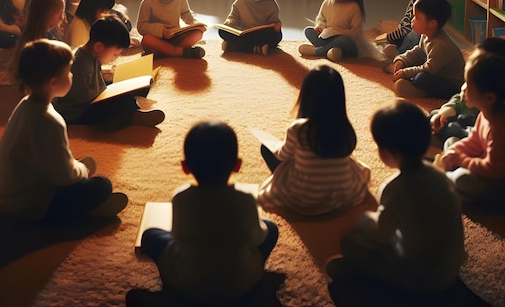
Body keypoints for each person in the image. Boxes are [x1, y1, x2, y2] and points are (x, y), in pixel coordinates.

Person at [326, 100, 465, 296]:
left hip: (422, 279)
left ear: (386, 153)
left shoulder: (395, 188)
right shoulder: (441, 177)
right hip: (451, 269)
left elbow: (380, 234)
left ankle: (372, 280)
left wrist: (363, 218)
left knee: (350, 242)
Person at [140, 121, 279, 304]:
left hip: (187, 281)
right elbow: (257, 237)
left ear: (185, 167)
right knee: (270, 228)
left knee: (150, 236)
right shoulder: (245, 200)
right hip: (239, 283)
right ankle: (255, 278)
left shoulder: (181, 198)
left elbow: (177, 237)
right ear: (237, 165)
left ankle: (174, 288)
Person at [0, 38, 128, 222]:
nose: (72, 76)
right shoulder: (50, 121)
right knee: (102, 185)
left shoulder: (24, 105)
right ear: (53, 82)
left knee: (79, 169)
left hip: (8, 197)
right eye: (68, 72)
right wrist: (81, 170)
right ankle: (85, 212)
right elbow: (65, 178)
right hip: (31, 206)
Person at [257, 65, 370, 215]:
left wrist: (275, 145)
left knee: (266, 148)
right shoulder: (344, 126)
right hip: (341, 195)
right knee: (352, 163)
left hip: (304, 197)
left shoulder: (298, 128)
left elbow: (283, 155)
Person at [54, 14, 164, 129]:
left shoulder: (93, 57)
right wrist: (109, 92)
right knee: (111, 109)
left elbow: (99, 84)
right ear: (99, 47)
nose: (114, 58)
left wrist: (112, 88)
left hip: (92, 99)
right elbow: (84, 98)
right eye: (114, 54)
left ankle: (134, 112)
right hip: (75, 111)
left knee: (128, 94)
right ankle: (133, 116)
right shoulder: (80, 63)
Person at [435, 38, 505, 206]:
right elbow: (474, 141)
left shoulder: (500, 128)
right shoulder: (485, 113)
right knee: (452, 143)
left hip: (496, 181)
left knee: (461, 178)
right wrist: (453, 155)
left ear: (489, 97)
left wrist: (462, 161)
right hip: (482, 163)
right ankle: (452, 185)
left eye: (468, 84)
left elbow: (492, 169)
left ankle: (448, 183)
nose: (463, 88)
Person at [391, 0, 465, 100]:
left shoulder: (441, 45)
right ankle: (412, 82)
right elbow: (418, 52)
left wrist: (405, 72)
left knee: (422, 77)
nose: (412, 21)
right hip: (437, 73)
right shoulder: (426, 35)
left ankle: (422, 92)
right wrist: (402, 60)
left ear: (432, 24)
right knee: (417, 68)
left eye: (416, 18)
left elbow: (428, 69)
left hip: (452, 85)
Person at [0, 0, 66, 86]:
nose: (62, 17)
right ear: (46, 15)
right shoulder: (36, 43)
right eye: (59, 13)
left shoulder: (43, 32)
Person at [298, 0, 366, 61]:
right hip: (328, 37)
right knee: (308, 31)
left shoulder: (353, 7)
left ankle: (319, 51)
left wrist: (337, 31)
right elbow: (320, 18)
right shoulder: (327, 3)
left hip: (346, 42)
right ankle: (333, 51)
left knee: (343, 40)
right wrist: (320, 27)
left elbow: (356, 34)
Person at [382, 0, 446, 60]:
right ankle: (399, 50)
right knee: (392, 43)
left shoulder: (429, 5)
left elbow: (409, 28)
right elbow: (406, 21)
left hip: (419, 38)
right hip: (406, 34)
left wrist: (390, 37)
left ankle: (400, 56)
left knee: (415, 35)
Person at [64, 0, 130, 48]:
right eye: (103, 11)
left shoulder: (92, 22)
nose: (106, 15)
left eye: (108, 11)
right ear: (92, 8)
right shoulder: (78, 28)